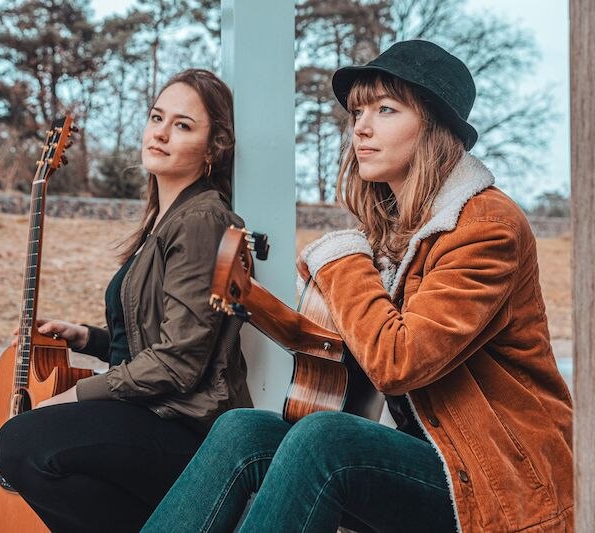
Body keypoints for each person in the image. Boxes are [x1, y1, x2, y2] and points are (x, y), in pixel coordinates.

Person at [142, 40, 573, 532]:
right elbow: (347, 346)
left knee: (326, 440)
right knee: (243, 429)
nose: (361, 128)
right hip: (435, 453)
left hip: (500, 476)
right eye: (357, 112)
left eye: (386, 110)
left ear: (435, 127)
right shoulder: (396, 231)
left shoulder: (485, 225)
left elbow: (398, 360)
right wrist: (255, 303)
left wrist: (344, 262)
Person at [0, 68, 253, 533]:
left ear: (213, 149)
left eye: (183, 125)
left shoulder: (202, 220)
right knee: (26, 441)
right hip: (153, 413)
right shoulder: (165, 219)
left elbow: (178, 362)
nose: (160, 132)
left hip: (187, 430)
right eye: (157, 117)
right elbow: (155, 335)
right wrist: (89, 338)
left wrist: (76, 395)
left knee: (23, 443)